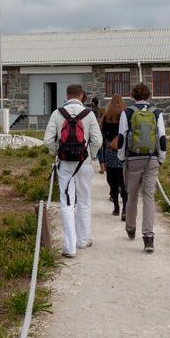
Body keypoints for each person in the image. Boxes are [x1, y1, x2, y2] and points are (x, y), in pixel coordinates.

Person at [44, 84, 103, 258]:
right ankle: (83, 240)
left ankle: (69, 247)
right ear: (82, 95)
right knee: (84, 200)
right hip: (83, 162)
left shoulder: (57, 113)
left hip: (65, 163)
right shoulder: (89, 114)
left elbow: (48, 140)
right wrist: (91, 155)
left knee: (66, 202)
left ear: (67, 95)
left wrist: (56, 152)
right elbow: (97, 140)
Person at [118, 83, 167, 253]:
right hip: (152, 159)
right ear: (148, 95)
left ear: (133, 96)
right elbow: (162, 137)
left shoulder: (128, 112)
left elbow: (122, 136)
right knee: (149, 196)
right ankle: (148, 237)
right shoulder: (157, 112)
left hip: (133, 159)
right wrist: (161, 158)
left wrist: (122, 157)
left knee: (132, 195)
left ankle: (131, 228)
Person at [99, 95, 127, 219]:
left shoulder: (106, 117)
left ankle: (116, 207)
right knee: (124, 182)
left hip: (110, 152)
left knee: (112, 181)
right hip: (122, 152)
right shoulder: (125, 115)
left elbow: (103, 132)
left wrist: (111, 142)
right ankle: (125, 209)